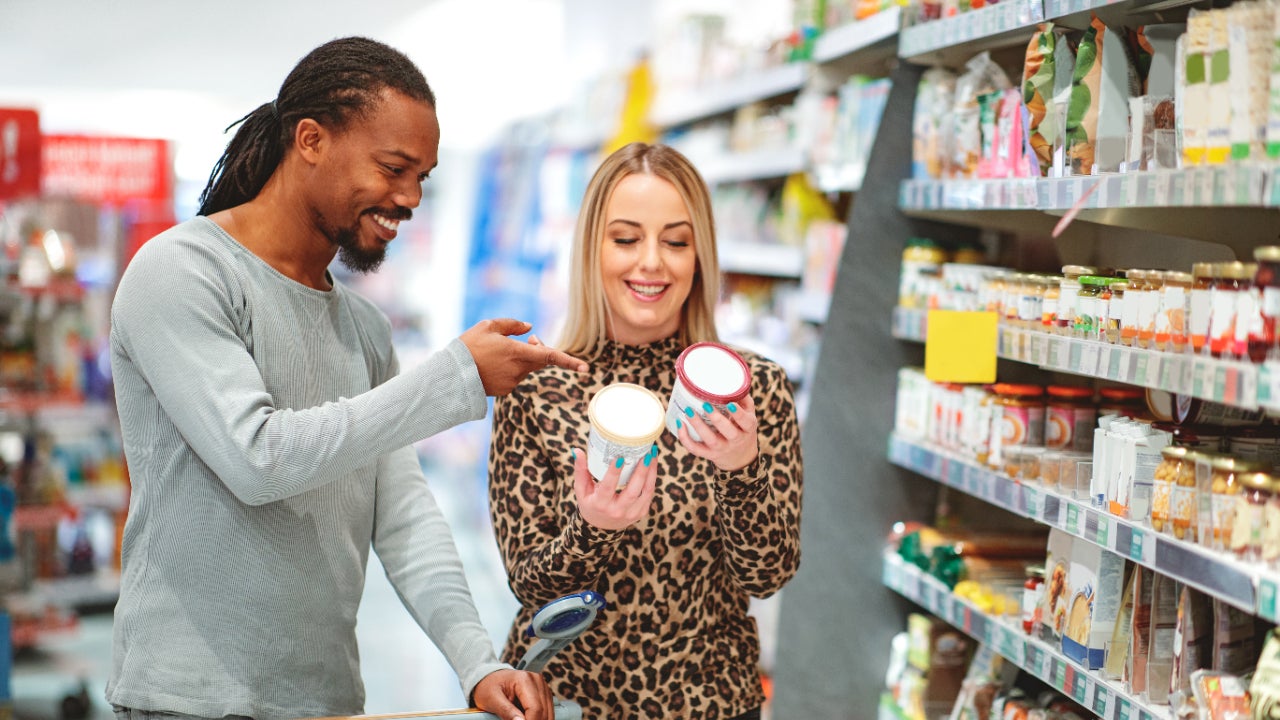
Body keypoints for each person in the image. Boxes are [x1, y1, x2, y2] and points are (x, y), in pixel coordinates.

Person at [106, 36, 586, 720]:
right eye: (395, 167)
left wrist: (477, 661)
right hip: (187, 701)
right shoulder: (182, 273)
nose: (411, 196)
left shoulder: (364, 330)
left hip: (324, 701)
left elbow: (404, 515)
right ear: (310, 140)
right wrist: (454, 376)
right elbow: (258, 458)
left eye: (424, 175)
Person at [487, 142, 804, 720]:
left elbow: (768, 574)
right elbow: (531, 586)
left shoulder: (752, 387)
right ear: (591, 249)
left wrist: (741, 470)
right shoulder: (536, 388)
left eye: (676, 241)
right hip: (566, 700)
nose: (652, 262)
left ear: (700, 256)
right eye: (627, 238)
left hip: (712, 703)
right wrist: (593, 528)